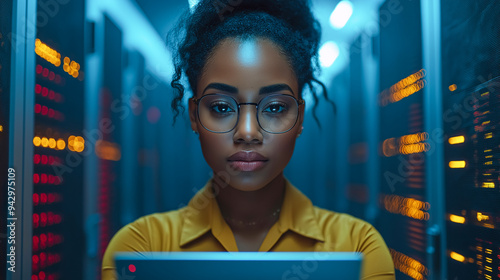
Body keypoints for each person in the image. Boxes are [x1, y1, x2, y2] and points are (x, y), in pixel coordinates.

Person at [102, 0, 395, 279]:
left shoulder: (358, 246)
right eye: (221, 107)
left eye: (275, 108)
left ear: (300, 119)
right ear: (194, 116)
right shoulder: (142, 247)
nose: (248, 133)